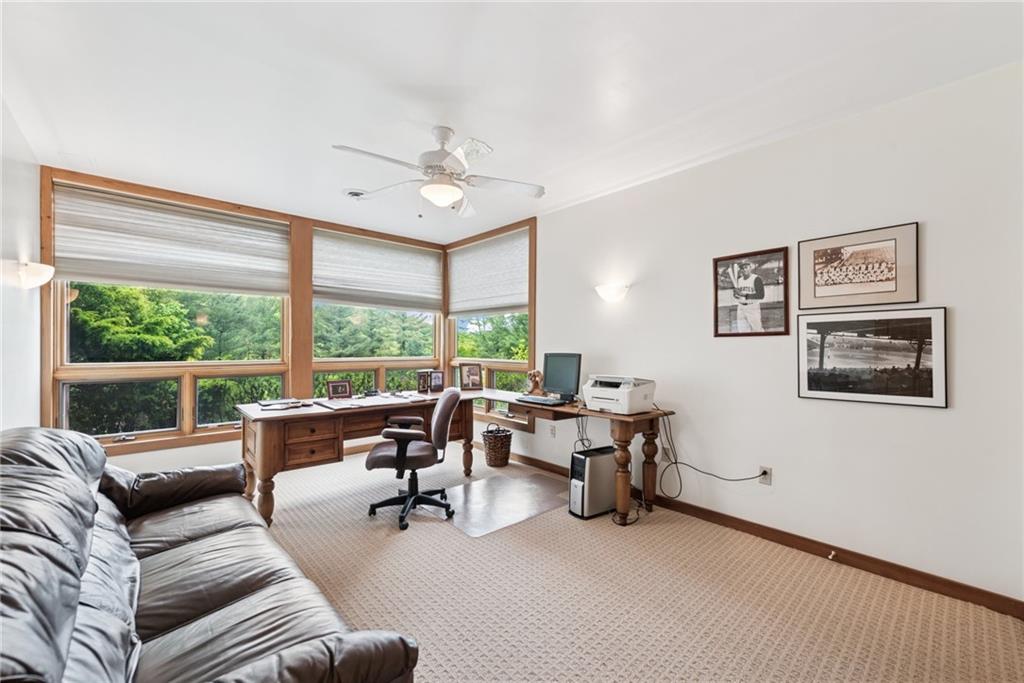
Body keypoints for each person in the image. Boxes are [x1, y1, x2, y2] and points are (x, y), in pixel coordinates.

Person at [732, 260, 765, 332]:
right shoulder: (739, 280)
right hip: (741, 307)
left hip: (752, 307)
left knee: (757, 330)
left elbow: (761, 295)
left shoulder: (756, 279)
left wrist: (744, 295)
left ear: (750, 267)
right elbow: (736, 295)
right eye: (742, 268)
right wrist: (735, 294)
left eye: (746, 267)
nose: (744, 269)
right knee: (742, 331)